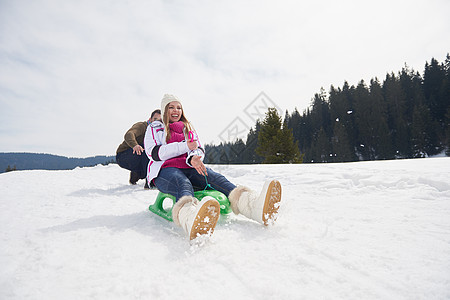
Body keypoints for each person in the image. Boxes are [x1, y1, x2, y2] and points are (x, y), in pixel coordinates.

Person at [144, 94, 282, 240]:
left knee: (216, 178)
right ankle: (190, 219)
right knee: (182, 183)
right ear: (164, 110)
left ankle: (253, 207)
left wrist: (194, 158)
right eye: (171, 107)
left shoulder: (188, 127)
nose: (175, 111)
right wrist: (184, 146)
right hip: (164, 171)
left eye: (179, 107)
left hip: (189, 166)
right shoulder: (155, 128)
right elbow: (154, 153)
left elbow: (197, 147)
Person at [116, 109, 161, 188]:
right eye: (155, 119)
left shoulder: (158, 131)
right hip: (123, 156)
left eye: (160, 120)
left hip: (137, 156)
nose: (156, 122)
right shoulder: (142, 126)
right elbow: (129, 134)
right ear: (150, 120)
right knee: (147, 148)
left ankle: (137, 173)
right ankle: (149, 183)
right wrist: (135, 145)